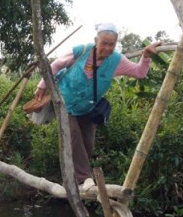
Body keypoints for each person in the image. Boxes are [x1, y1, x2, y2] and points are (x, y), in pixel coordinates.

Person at [34, 23, 161, 191]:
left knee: (87, 144)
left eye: (112, 44)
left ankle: (74, 180)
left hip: (88, 107)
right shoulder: (81, 51)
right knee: (73, 135)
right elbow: (56, 65)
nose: (107, 48)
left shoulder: (117, 61)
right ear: (96, 40)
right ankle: (85, 178)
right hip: (64, 103)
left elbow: (139, 73)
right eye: (104, 43)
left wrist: (145, 56)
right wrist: (42, 85)